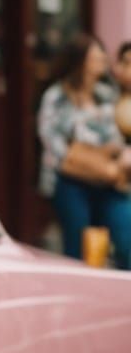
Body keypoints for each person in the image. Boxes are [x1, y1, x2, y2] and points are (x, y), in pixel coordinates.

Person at [36, 32, 131, 269]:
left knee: (124, 236)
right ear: (81, 62)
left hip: (106, 179)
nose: (103, 63)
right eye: (97, 58)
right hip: (69, 181)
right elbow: (50, 139)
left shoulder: (105, 95)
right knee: (77, 247)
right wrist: (83, 158)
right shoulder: (56, 97)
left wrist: (112, 156)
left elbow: (114, 136)